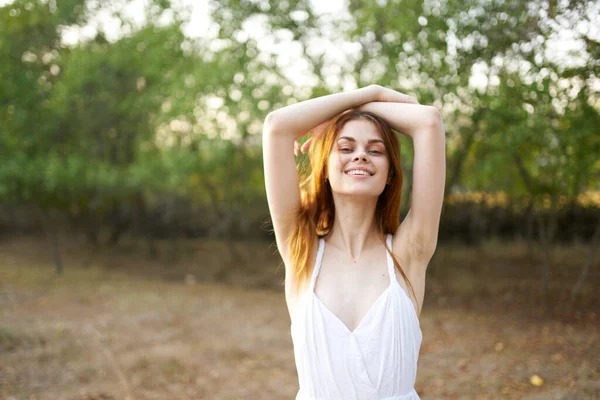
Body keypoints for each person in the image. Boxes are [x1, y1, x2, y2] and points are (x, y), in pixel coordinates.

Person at [262, 84, 446, 399]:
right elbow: (277, 126)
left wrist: (356, 110)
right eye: (345, 148)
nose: (360, 154)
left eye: (375, 150)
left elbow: (428, 121)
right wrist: (364, 96)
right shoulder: (301, 251)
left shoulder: (408, 252)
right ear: (325, 169)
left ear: (390, 174)